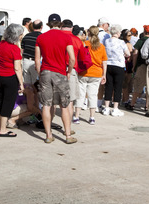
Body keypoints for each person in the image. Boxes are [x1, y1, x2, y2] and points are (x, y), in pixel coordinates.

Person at [35, 13, 76, 144]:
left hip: (46, 72)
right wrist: (68, 71)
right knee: (64, 105)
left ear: (48, 24)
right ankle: (68, 135)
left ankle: (48, 135)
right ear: (60, 24)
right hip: (60, 73)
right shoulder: (65, 37)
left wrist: (40, 73)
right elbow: (72, 58)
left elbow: (37, 60)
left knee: (46, 105)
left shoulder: (41, 37)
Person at [0, 23, 24, 137]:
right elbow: (17, 68)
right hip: (10, 77)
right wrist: (21, 83)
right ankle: (3, 129)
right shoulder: (15, 49)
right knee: (8, 103)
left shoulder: (1, 44)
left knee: (1, 101)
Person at [75, 26, 107, 124]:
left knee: (80, 95)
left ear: (88, 33)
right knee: (93, 95)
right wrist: (104, 74)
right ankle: (92, 117)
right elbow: (104, 62)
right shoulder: (101, 46)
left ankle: (76, 116)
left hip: (84, 72)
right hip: (96, 73)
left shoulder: (84, 44)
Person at [102, 24, 130, 117]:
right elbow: (127, 53)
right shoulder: (121, 42)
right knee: (118, 87)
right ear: (118, 33)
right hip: (118, 65)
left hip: (108, 64)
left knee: (108, 86)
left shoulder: (106, 41)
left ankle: (106, 107)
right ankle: (115, 108)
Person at [126, 25, 149, 110]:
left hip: (141, 65)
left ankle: (132, 104)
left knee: (137, 85)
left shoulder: (141, 40)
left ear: (144, 31)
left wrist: (134, 66)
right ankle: (147, 106)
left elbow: (135, 53)